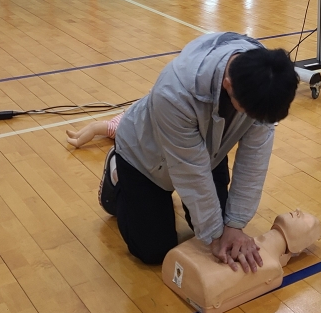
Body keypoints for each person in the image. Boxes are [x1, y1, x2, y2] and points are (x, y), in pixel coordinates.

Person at [102, 32, 298, 270]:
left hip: (208, 150)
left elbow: (253, 161)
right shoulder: (175, 92)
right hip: (144, 156)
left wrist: (234, 226)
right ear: (228, 85)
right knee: (153, 250)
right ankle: (117, 173)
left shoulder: (267, 77)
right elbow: (190, 172)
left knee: (221, 225)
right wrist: (216, 237)